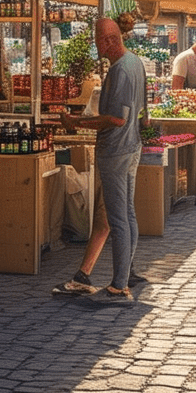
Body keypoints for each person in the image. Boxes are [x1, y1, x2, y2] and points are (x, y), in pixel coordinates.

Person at [58, 17, 146, 303]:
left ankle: (119, 285)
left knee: (119, 219)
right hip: (131, 147)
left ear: (109, 39)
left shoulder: (121, 71)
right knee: (128, 215)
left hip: (116, 151)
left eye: (98, 41)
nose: (97, 47)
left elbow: (117, 119)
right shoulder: (135, 63)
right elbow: (140, 113)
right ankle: (122, 278)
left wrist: (79, 122)